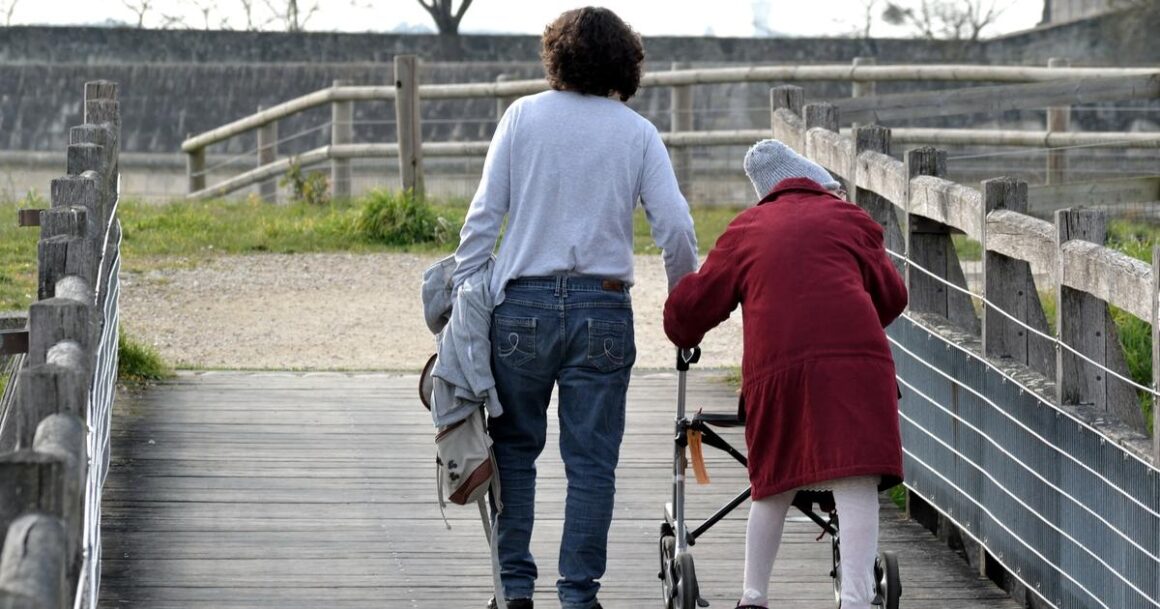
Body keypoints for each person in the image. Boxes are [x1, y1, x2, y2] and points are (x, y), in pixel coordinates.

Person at [451, 7, 699, 609]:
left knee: (514, 452)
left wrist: (462, 297)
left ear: (556, 56)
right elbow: (676, 229)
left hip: (522, 307)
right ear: (624, 62)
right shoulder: (637, 133)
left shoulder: (522, 117)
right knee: (592, 463)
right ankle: (578, 594)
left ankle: (513, 589)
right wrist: (684, 305)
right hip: (603, 309)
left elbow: (483, 219)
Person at [663, 140, 907, 609]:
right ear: (818, 183)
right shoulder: (850, 219)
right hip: (858, 371)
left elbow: (691, 311)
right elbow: (892, 297)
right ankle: (856, 600)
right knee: (854, 478)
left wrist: (680, 324)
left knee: (774, 481)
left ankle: (753, 597)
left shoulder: (746, 230)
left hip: (778, 375)